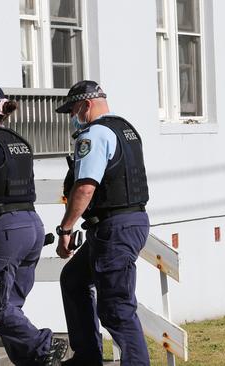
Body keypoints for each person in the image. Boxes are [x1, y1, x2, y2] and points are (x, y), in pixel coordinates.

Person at [0, 84, 68, 366]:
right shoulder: (20, 142)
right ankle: (33, 361)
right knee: (10, 307)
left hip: (7, 229)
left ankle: (43, 346)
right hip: (32, 226)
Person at [54, 80, 150, 366]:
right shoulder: (126, 130)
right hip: (128, 221)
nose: (73, 116)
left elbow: (85, 187)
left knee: (116, 308)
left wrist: (66, 228)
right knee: (73, 280)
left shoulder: (94, 136)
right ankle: (87, 357)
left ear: (85, 105)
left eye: (73, 109)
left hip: (114, 227)